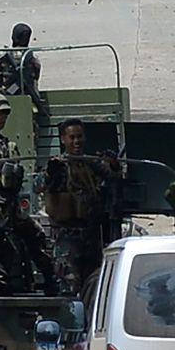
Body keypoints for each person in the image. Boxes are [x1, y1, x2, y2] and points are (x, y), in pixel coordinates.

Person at [0, 94, 54, 293]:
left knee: (35, 237)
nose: (2, 119)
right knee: (3, 250)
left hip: (9, 205)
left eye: (3, 115)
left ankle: (47, 280)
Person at [41, 119, 119, 297]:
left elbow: (114, 177)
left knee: (94, 286)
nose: (76, 141)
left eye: (80, 137)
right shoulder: (57, 165)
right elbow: (41, 185)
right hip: (66, 237)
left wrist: (113, 164)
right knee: (68, 287)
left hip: (91, 235)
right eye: (72, 137)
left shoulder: (90, 164)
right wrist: (50, 173)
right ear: (63, 140)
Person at [0, 23, 46, 116]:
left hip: (3, 101)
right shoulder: (32, 58)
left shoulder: (1, 57)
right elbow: (35, 78)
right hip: (28, 100)